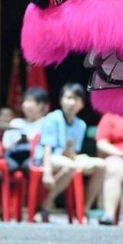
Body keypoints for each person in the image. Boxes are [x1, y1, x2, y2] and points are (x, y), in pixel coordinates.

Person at [36, 83, 105, 220]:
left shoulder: (80, 125)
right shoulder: (52, 118)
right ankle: (46, 204)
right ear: (61, 100)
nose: (72, 102)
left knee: (102, 165)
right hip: (49, 157)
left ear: (82, 104)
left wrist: (75, 154)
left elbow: (71, 153)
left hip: (68, 158)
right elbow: (47, 148)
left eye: (76, 99)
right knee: (70, 166)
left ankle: (84, 209)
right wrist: (47, 172)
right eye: (69, 98)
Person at [1, 87, 49, 174]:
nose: (27, 105)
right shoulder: (15, 123)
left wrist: (30, 141)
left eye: (31, 101)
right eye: (25, 101)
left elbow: (48, 145)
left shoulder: (47, 122)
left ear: (42, 105)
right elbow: (5, 145)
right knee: (10, 165)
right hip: (14, 155)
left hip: (34, 157)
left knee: (30, 165)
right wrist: (17, 142)